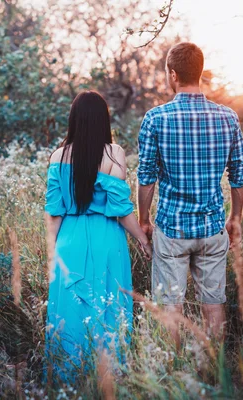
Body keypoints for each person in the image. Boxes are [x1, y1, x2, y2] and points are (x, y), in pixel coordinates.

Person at [137, 42, 243, 340]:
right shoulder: (228, 117)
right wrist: (235, 218)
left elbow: (146, 177)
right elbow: (239, 177)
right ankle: (215, 372)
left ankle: (173, 377)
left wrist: (144, 220)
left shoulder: (156, 118)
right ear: (199, 73)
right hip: (212, 228)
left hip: (172, 230)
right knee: (213, 305)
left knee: (170, 307)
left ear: (173, 74)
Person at [44, 91, 152, 381]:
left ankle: (69, 380)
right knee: (109, 308)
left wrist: (52, 254)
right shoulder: (113, 153)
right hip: (108, 240)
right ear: (103, 119)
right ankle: (111, 379)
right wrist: (143, 238)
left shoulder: (58, 155)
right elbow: (120, 209)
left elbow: (53, 212)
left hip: (69, 240)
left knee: (70, 312)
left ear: (74, 120)